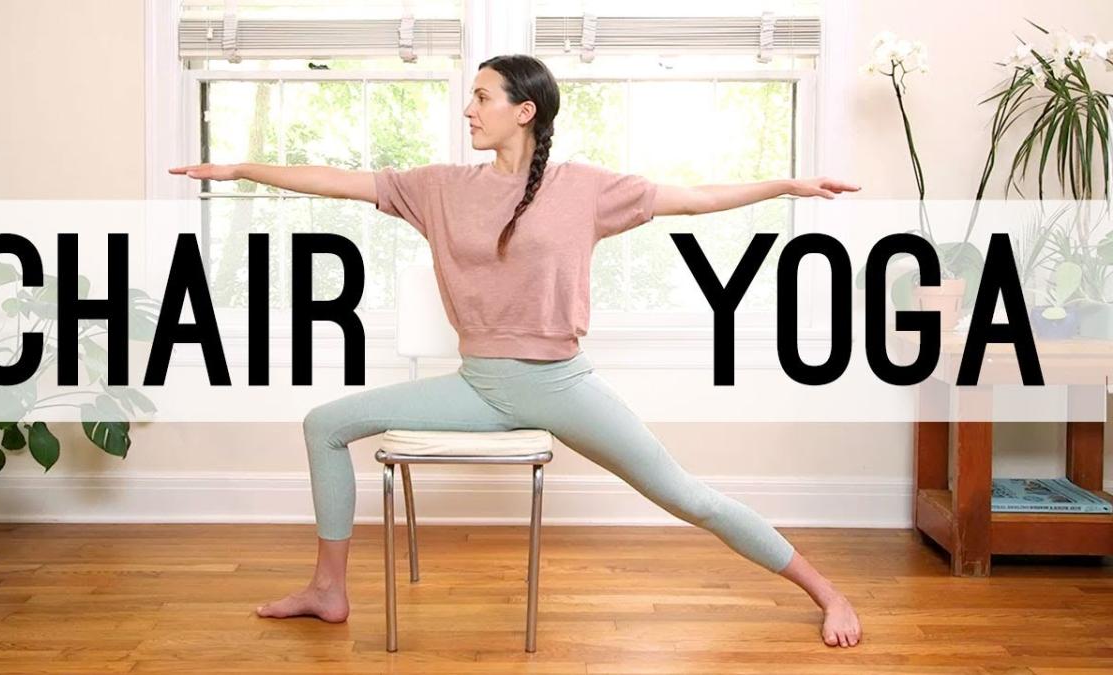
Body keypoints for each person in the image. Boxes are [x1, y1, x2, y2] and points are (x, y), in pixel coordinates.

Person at [171, 53, 863, 648]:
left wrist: (784, 184)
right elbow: (338, 181)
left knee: (686, 495)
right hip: (477, 385)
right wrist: (239, 168)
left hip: (559, 383)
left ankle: (828, 591)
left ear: (523, 111)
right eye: (469, 95)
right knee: (325, 422)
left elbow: (693, 198)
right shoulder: (440, 187)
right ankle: (328, 589)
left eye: (481, 97)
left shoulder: (584, 189)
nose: (467, 109)